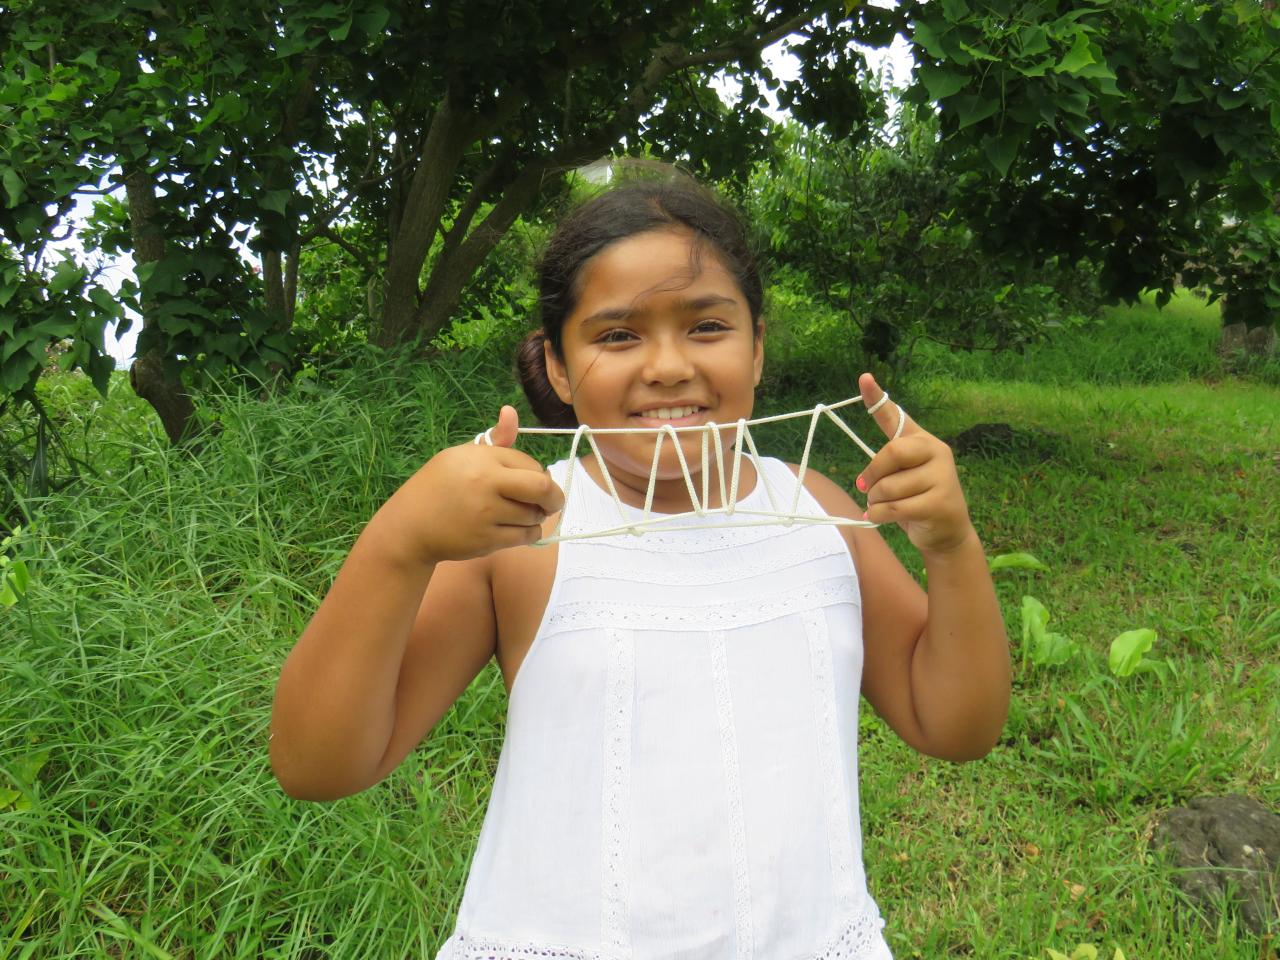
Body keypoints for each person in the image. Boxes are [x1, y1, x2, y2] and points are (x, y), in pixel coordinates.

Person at [269, 176, 1011, 960]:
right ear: (557, 366)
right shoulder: (524, 536)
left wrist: (952, 547)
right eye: (618, 336)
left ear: (758, 348)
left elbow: (954, 726)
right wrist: (399, 544)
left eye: (707, 326)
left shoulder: (821, 512)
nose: (666, 366)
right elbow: (319, 764)